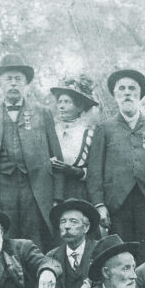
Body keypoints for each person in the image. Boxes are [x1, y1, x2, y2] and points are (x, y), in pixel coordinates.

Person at [87, 69, 145, 263]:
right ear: (115, 95)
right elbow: (94, 172)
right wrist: (99, 205)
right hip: (117, 204)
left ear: (139, 94)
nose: (127, 93)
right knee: (120, 254)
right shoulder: (104, 129)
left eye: (132, 88)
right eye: (121, 89)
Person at [0, 54, 56, 249]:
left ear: (25, 83)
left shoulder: (42, 113)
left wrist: (57, 197)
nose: (13, 83)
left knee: (34, 241)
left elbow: (56, 157)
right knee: (7, 241)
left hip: (35, 190)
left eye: (18, 79)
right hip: (2, 191)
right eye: (8, 79)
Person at [47, 77, 100, 205]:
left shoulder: (89, 133)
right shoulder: (50, 131)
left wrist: (75, 171)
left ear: (79, 107)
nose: (61, 106)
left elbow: (95, 170)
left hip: (77, 191)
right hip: (51, 191)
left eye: (67, 102)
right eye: (60, 102)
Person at [45, 199, 102, 288]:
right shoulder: (52, 256)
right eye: (63, 222)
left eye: (73, 222)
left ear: (86, 227)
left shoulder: (100, 251)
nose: (66, 226)